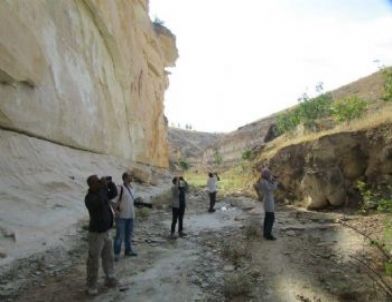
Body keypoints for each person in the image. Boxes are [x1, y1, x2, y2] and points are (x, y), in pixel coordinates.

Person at [84, 175, 118, 295]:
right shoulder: (89, 198)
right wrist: (103, 187)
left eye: (99, 181)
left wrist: (110, 183)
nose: (99, 183)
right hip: (96, 235)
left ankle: (109, 278)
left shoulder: (101, 191)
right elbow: (98, 202)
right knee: (94, 261)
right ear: (91, 185)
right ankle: (91, 285)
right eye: (96, 182)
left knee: (109, 257)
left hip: (107, 231)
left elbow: (114, 193)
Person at [112, 172, 138, 261]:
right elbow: (113, 201)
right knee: (119, 236)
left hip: (131, 216)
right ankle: (116, 254)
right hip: (121, 217)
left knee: (129, 235)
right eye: (130, 176)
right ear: (125, 178)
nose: (132, 177)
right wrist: (115, 211)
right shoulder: (120, 188)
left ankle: (128, 250)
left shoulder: (132, 188)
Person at [260, 168, 278, 240]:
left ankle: (265, 233)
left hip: (267, 201)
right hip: (268, 201)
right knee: (271, 218)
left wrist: (272, 180)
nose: (270, 175)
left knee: (267, 218)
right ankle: (268, 234)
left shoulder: (264, 181)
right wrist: (275, 181)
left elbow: (270, 185)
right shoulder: (264, 182)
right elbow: (272, 188)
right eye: (269, 174)